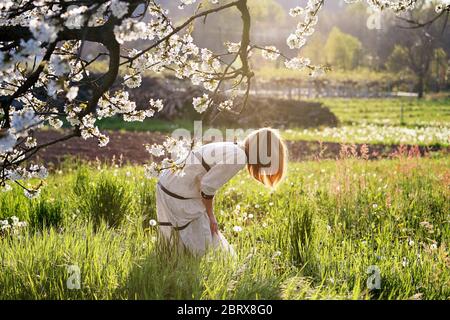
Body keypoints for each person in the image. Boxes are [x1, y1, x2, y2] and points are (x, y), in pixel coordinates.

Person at [156, 128, 287, 256]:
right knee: (207, 244)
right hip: (177, 192)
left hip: (169, 183)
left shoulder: (234, 148)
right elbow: (207, 186)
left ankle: (176, 265)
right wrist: (211, 215)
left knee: (186, 241)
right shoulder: (239, 156)